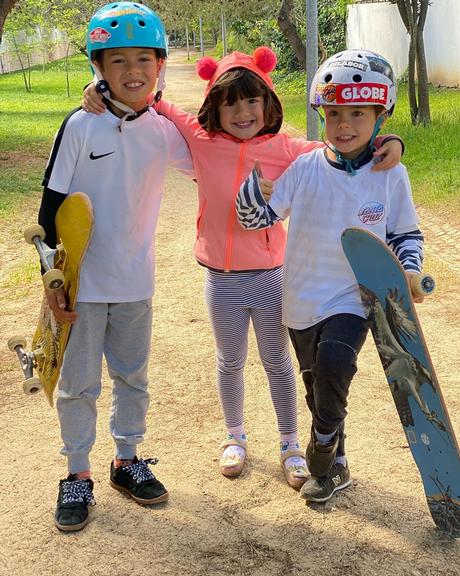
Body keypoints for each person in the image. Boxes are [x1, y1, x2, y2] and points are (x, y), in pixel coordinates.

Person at [82, 47, 404, 490]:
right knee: (229, 362)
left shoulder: (287, 149)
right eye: (229, 102)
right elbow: (155, 102)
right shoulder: (200, 140)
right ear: (214, 107)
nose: (242, 111)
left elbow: (344, 149)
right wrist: (98, 88)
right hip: (222, 279)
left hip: (272, 277)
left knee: (278, 364)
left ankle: (291, 443)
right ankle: (235, 436)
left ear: (268, 104)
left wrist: (391, 143)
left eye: (252, 100)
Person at [236, 49, 424, 503]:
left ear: (381, 115)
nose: (344, 124)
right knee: (318, 383)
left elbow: (404, 233)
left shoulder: (390, 176)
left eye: (358, 113)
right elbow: (258, 220)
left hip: (353, 298)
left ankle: (320, 448)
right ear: (321, 113)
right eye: (334, 112)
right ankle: (337, 459)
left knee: (338, 365)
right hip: (300, 299)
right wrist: (250, 193)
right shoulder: (304, 169)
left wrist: (411, 272)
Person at [39, 2, 194, 532]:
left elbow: (218, 160)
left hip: (135, 281)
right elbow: (49, 206)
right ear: (98, 68)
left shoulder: (164, 131)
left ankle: (126, 461)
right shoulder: (81, 125)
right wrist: (52, 280)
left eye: (144, 60)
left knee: (133, 378)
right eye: (118, 60)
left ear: (160, 65)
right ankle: (76, 473)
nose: (133, 71)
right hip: (82, 285)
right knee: (78, 384)